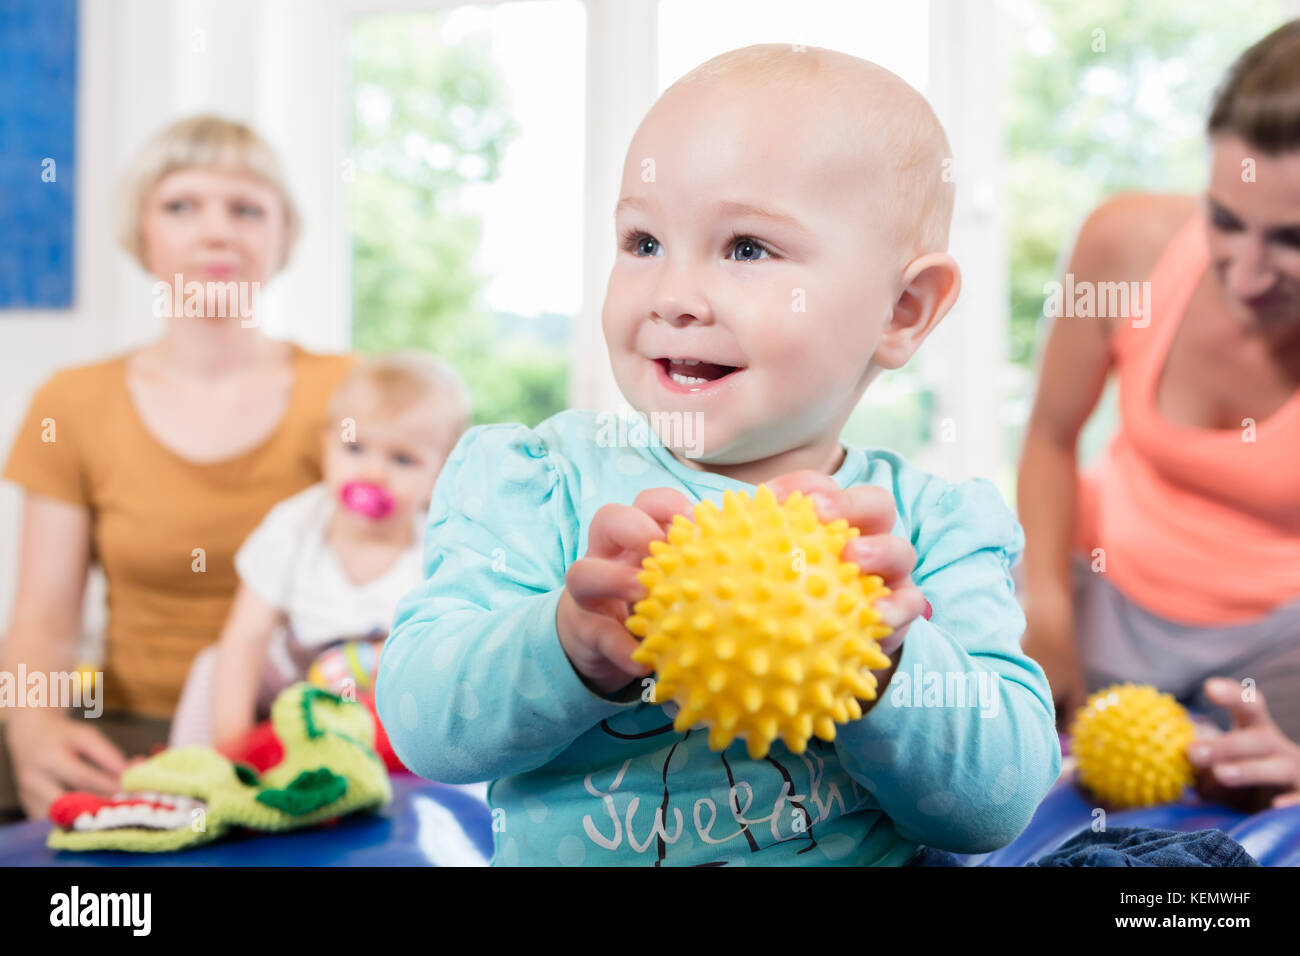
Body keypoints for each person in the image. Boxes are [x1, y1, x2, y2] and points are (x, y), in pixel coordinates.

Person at [377, 44, 1064, 866]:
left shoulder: (929, 536)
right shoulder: (541, 483)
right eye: (642, 242)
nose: (672, 296)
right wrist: (565, 644)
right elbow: (422, 725)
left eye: (746, 248)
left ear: (903, 309)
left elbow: (997, 805)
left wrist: (890, 662)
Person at [0, 115, 355, 821]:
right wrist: (32, 727)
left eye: (247, 209)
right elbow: (42, 617)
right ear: (143, 234)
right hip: (129, 735)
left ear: (283, 238)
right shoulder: (71, 401)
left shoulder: (347, 393)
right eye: (182, 205)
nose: (216, 231)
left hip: (301, 733)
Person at [1018, 20, 1300, 812]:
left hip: (1280, 639)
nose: (1246, 278)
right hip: (1100, 584)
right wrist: (1044, 606)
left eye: (1293, 241)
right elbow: (1048, 437)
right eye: (1226, 219)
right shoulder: (1125, 245)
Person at [168, 353, 470, 748]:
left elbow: (442, 649)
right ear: (327, 444)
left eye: (402, 459)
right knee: (214, 663)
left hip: (375, 701)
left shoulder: (438, 548)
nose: (372, 473)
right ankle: (196, 771)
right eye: (355, 448)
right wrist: (233, 744)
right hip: (291, 685)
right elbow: (247, 637)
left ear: (441, 474)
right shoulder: (294, 526)